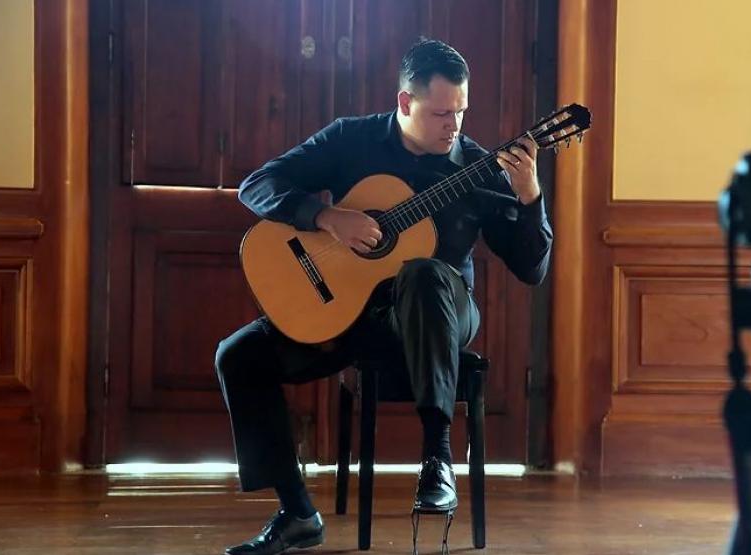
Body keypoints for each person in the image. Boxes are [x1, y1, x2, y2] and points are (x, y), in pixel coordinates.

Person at [215, 38, 552, 555]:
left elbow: (532, 268)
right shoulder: (354, 140)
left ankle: (438, 461)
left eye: (461, 112)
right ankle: (296, 513)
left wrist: (530, 197)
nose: (454, 127)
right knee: (238, 356)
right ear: (404, 103)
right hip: (357, 313)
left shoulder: (480, 170)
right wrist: (326, 218)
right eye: (441, 113)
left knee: (422, 272)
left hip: (443, 309)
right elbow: (258, 184)